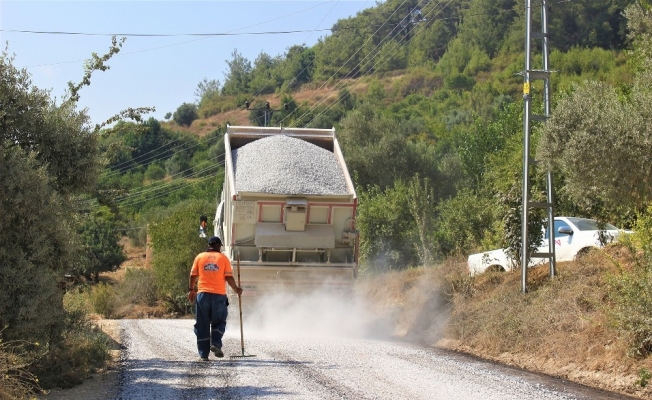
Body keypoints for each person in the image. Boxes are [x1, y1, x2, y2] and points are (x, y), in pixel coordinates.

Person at [188, 236, 243, 361]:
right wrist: (236, 289)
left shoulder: (199, 257)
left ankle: (203, 354)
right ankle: (216, 344)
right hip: (218, 296)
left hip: (202, 296)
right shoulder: (223, 258)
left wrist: (191, 290)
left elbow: (193, 275)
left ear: (209, 245)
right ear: (218, 246)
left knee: (202, 325)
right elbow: (229, 278)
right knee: (219, 322)